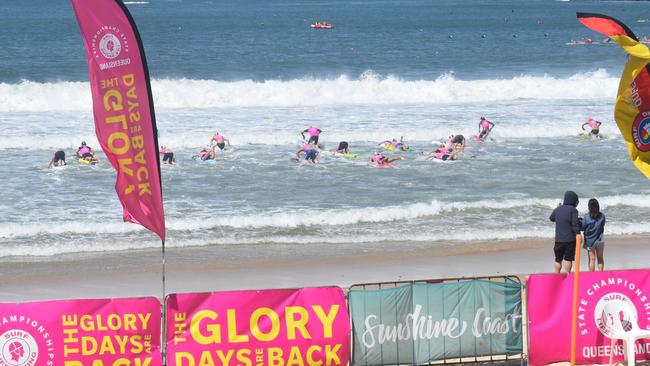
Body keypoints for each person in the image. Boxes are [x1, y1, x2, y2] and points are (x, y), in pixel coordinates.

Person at [549, 191, 581, 274]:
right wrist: (578, 234)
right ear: (573, 200)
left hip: (558, 240)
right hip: (570, 240)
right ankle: (567, 275)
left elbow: (551, 218)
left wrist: (556, 208)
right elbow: (575, 224)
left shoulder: (558, 209)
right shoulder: (573, 210)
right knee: (568, 259)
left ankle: (557, 275)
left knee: (558, 259)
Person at [581, 198, 606, 272]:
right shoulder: (602, 216)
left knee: (592, 259)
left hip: (590, 241)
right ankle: (600, 275)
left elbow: (582, 227)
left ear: (589, 207)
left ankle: (592, 276)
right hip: (600, 239)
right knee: (600, 258)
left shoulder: (586, 217)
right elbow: (603, 225)